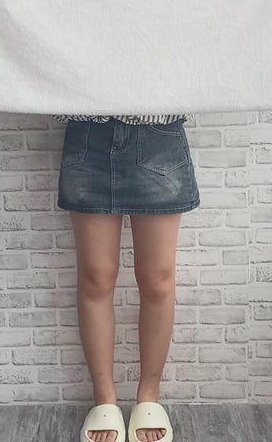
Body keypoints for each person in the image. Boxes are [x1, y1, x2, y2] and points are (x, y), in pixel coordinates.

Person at [52, 113, 200, 442]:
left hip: (158, 133)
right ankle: (104, 398)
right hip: (88, 130)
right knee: (96, 277)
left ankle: (149, 396)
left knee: (157, 280)